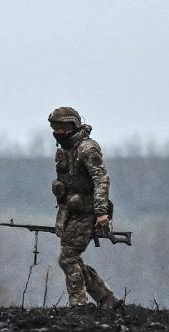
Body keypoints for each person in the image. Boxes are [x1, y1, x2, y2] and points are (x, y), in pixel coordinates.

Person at [49, 106, 121, 309]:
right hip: (72, 212)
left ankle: (79, 306)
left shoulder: (87, 148)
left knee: (67, 257)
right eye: (55, 128)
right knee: (71, 257)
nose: (58, 132)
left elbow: (101, 180)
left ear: (72, 125)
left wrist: (101, 213)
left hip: (88, 212)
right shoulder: (66, 150)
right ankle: (107, 300)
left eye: (62, 127)